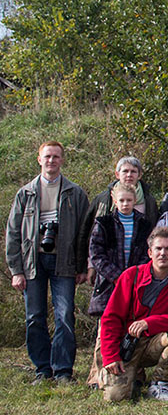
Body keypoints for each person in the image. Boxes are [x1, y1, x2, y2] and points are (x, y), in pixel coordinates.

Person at [6, 141, 89, 384]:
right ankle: (42, 369)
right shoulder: (26, 193)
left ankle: (63, 370)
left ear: (62, 160)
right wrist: (16, 270)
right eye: (47, 156)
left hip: (64, 262)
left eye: (56, 157)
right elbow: (13, 234)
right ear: (39, 159)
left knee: (64, 315)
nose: (51, 161)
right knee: (35, 316)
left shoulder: (75, 193)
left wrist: (82, 266)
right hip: (33, 262)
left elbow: (85, 233)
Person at [98, 227, 168, 402]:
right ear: (150, 252)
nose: (163, 253)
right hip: (126, 344)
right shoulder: (131, 276)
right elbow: (111, 318)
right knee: (116, 398)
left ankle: (159, 384)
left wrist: (149, 323)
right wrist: (111, 355)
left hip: (154, 341)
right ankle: (121, 374)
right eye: (158, 249)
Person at [85, 184, 155, 386]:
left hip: (136, 283)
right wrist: (118, 277)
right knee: (104, 330)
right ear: (115, 201)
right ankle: (97, 376)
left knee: (134, 328)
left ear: (135, 201)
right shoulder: (103, 223)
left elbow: (146, 253)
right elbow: (96, 254)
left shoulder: (143, 224)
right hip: (109, 284)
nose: (125, 204)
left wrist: (135, 277)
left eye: (129, 200)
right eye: (121, 200)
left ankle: (137, 375)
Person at [81, 156, 159, 285]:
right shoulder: (102, 199)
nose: (129, 175)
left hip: (137, 273)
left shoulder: (149, 201)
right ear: (117, 174)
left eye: (133, 171)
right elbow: (88, 233)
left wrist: (137, 273)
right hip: (107, 271)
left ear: (139, 175)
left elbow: (151, 237)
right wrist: (89, 266)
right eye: (125, 171)